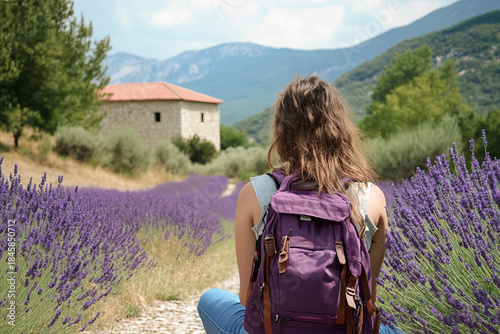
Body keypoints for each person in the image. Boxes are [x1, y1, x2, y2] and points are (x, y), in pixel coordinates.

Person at [197, 76, 401, 334]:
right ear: (341, 129)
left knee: (210, 299)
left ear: (282, 132)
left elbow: (246, 296)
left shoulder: (256, 193)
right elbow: (367, 294)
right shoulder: (370, 196)